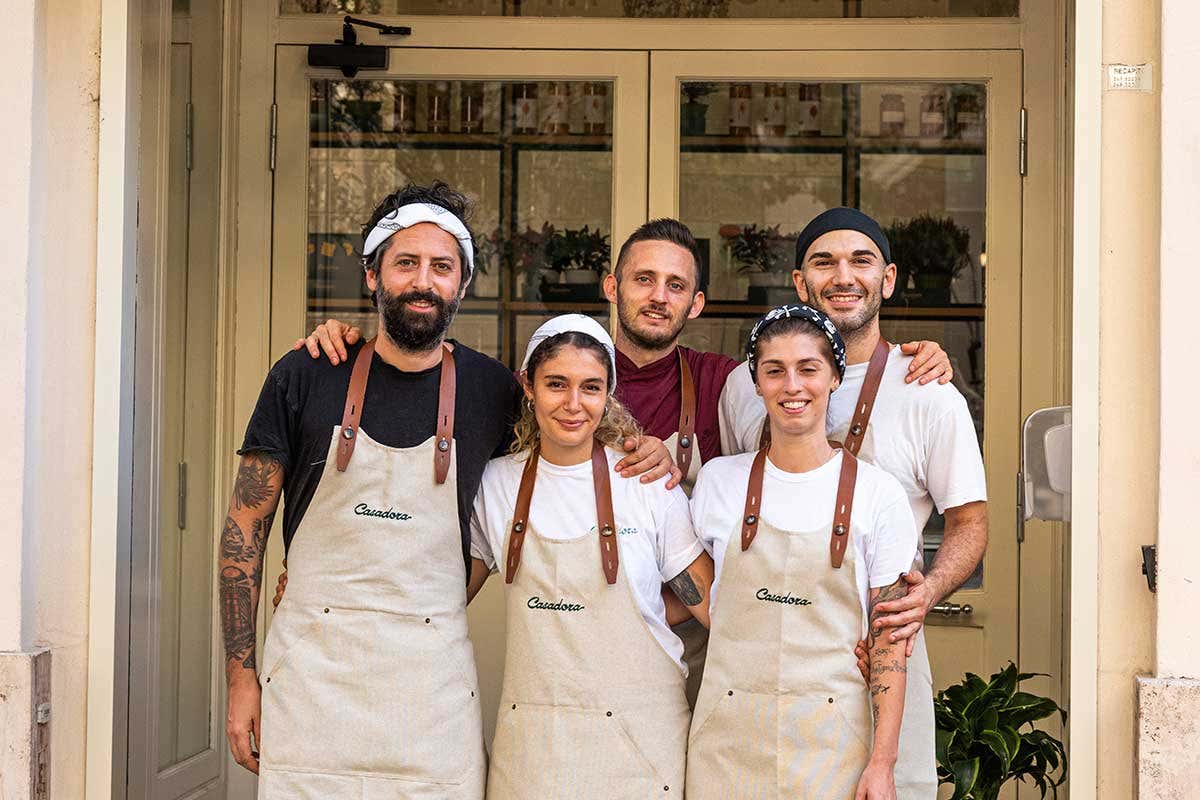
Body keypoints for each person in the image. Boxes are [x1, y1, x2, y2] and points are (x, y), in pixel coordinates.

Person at [296, 217, 955, 703]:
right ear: (612, 285)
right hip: (557, 657)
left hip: (706, 649)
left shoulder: (731, 381)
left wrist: (903, 358)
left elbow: (809, 399)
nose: (658, 296)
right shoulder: (537, 382)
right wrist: (347, 341)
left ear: (696, 304)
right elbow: (417, 367)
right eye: (643, 279)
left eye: (676, 286)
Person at [220, 182, 673, 797]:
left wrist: (635, 444)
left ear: (462, 284)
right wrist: (241, 679)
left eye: (442, 267)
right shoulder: (305, 373)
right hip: (311, 683)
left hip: (429, 701)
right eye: (406, 263)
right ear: (373, 275)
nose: (423, 282)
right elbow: (243, 534)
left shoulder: (491, 390)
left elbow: (570, 431)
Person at [719, 207, 988, 797]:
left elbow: (970, 522)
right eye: (824, 261)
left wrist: (927, 594)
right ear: (800, 282)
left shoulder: (929, 391)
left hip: (880, 648)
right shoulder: (744, 384)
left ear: (887, 279)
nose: (844, 275)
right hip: (766, 651)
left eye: (860, 261)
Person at [468, 315, 714, 799]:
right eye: (556, 384)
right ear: (529, 387)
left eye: (591, 387)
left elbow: (710, 603)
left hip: (639, 744)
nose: (574, 404)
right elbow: (445, 594)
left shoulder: (646, 485)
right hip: (533, 747)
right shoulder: (495, 484)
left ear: (609, 394)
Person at [687, 304, 920, 800]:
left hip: (832, 747)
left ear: (834, 376)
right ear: (756, 383)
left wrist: (883, 762)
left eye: (808, 368)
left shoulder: (879, 495)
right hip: (727, 743)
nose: (792, 385)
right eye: (775, 370)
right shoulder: (718, 483)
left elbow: (890, 641)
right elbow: (703, 596)